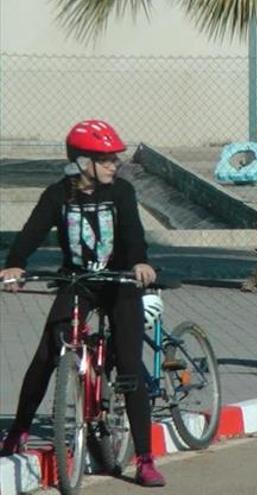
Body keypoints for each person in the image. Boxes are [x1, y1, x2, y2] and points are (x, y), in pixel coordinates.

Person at [0, 120, 166, 487]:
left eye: (114, 159)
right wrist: (15, 264)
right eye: (105, 160)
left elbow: (133, 234)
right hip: (79, 282)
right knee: (46, 353)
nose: (114, 166)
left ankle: (144, 458)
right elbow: (32, 231)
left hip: (121, 283)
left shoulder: (121, 193)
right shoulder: (58, 195)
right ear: (81, 162)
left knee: (128, 366)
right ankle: (20, 431)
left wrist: (139, 262)